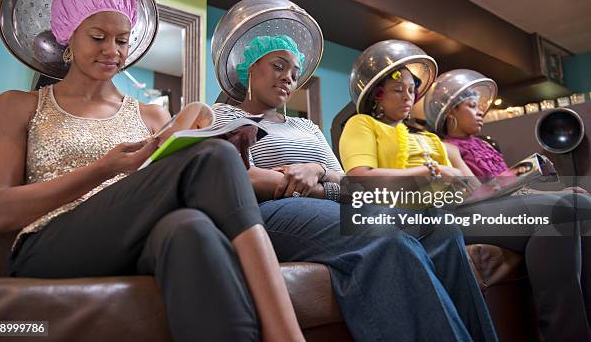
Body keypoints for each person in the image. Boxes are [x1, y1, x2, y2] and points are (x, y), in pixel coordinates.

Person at [0, 0, 304, 342]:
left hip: (132, 241)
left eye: (122, 40)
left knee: (189, 227)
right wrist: (103, 169)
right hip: (48, 246)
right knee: (212, 154)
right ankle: (286, 335)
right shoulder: (19, 105)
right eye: (98, 37)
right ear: (69, 34)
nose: (112, 50)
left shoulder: (150, 116)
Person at [212, 32, 498, 341]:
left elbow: (347, 181)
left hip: (330, 201)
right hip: (273, 210)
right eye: (278, 66)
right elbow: (242, 177)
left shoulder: (305, 126)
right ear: (250, 67)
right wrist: (313, 185)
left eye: (294, 74)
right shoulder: (224, 115)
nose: (288, 78)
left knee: (441, 226)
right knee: (384, 236)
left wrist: (315, 169)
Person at [341, 51, 590, 341]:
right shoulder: (362, 125)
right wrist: (427, 172)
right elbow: (359, 178)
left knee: (579, 207)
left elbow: (474, 188)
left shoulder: (431, 139)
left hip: (461, 207)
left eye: (412, 90)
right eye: (399, 90)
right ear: (377, 96)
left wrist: (531, 183)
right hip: (422, 216)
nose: (408, 96)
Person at [424, 69, 591, 341]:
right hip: (472, 209)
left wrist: (558, 191)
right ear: (450, 112)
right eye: (471, 106)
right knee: (562, 214)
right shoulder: (447, 148)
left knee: (583, 204)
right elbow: (477, 192)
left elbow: (513, 187)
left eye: (480, 107)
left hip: (501, 204)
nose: (480, 112)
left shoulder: (487, 146)